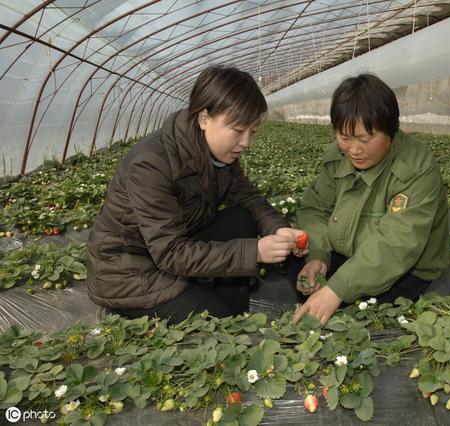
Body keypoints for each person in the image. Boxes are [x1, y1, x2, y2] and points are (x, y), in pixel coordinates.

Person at [86, 65, 306, 324]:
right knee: (222, 328)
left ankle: (232, 313)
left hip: (173, 251)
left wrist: (277, 228)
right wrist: (254, 252)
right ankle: (219, 315)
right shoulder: (151, 165)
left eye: (253, 132)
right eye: (237, 130)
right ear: (204, 119)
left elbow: (248, 197)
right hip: (129, 272)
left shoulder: (217, 154)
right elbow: (171, 253)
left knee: (242, 218)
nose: (246, 142)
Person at [290, 73, 450, 326]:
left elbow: (397, 243)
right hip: (352, 252)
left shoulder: (416, 166)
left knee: (350, 322)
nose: (354, 150)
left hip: (405, 269)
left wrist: (337, 289)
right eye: (345, 138)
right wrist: (318, 256)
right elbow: (314, 208)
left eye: (365, 139)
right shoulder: (336, 157)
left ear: (391, 131)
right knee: (295, 268)